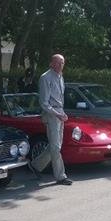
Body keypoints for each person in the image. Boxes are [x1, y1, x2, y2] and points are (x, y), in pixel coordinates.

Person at [28, 54, 73, 186]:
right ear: (51, 63)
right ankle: (60, 176)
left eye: (62, 62)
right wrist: (57, 114)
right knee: (55, 146)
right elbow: (44, 103)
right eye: (57, 62)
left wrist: (62, 113)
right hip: (51, 114)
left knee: (56, 146)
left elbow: (60, 99)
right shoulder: (45, 77)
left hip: (59, 112)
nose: (60, 65)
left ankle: (35, 165)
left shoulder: (60, 77)